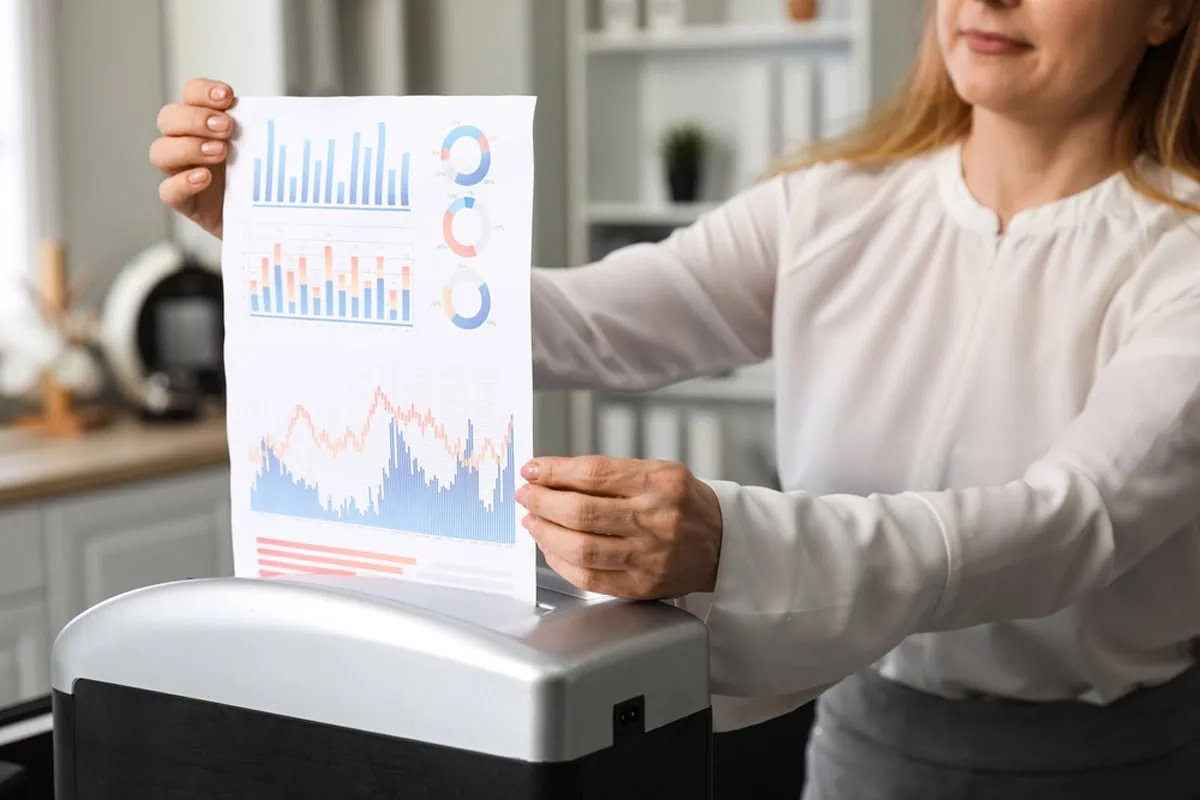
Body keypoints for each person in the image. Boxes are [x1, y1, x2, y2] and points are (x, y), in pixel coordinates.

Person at [151, 0, 1200, 796]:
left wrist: (733, 539)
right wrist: (289, 233)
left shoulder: (1183, 259)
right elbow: (583, 321)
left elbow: (1072, 524)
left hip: (1113, 767)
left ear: (1165, 9)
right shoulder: (827, 208)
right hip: (861, 754)